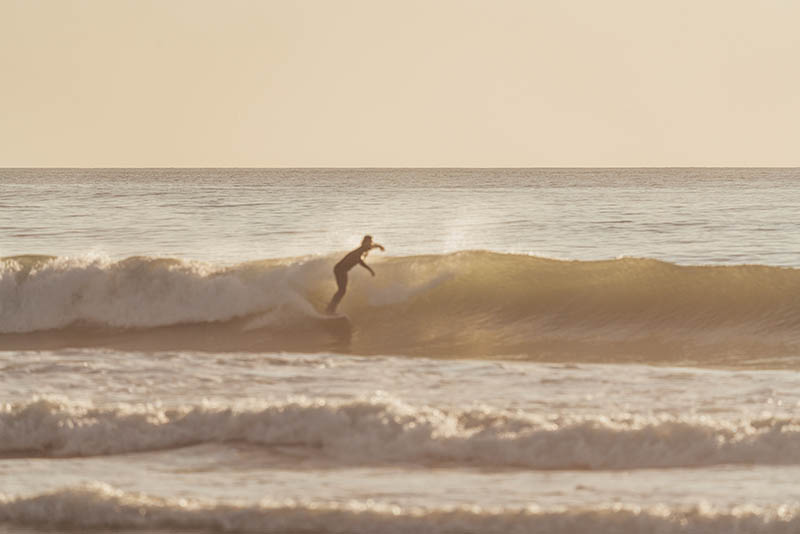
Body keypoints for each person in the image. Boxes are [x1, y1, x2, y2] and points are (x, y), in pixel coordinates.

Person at [326, 235, 385, 314]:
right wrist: (370, 270)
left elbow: (372, 246)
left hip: (341, 269)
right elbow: (360, 261)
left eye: (370, 242)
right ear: (364, 243)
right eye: (368, 242)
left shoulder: (365, 248)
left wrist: (379, 246)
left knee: (342, 290)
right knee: (342, 290)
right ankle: (330, 309)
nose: (370, 244)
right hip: (340, 270)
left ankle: (331, 307)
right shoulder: (359, 251)